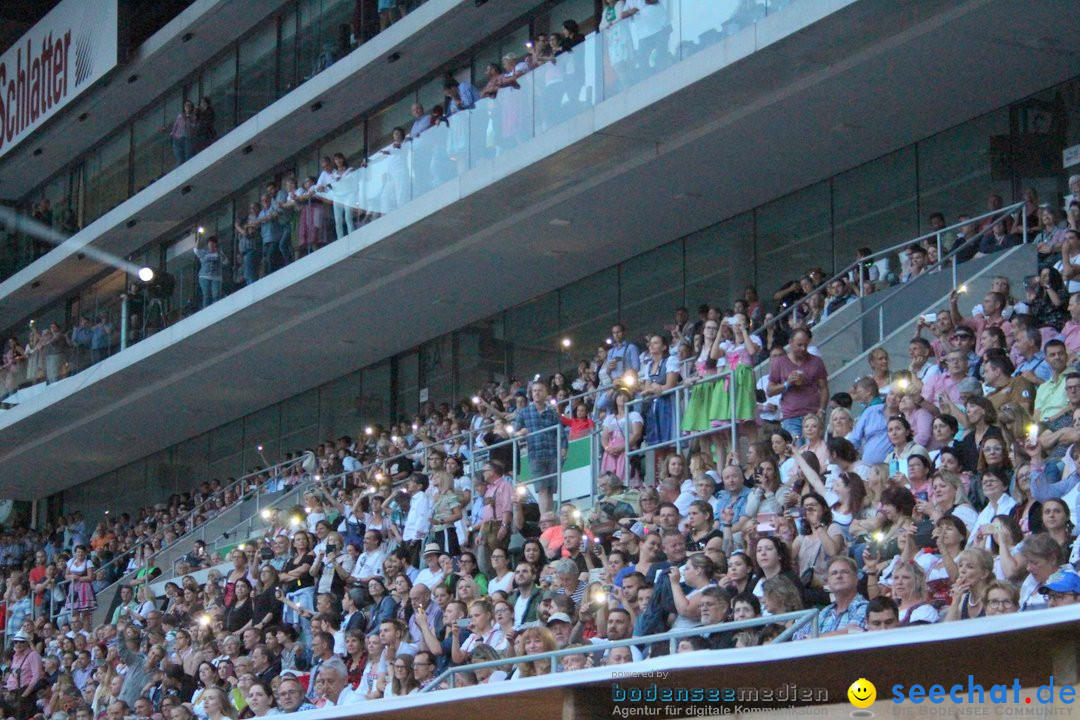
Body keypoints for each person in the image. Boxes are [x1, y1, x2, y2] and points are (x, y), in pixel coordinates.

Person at [767, 328, 828, 440]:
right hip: (791, 416)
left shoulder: (817, 361)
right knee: (796, 452)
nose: (803, 349)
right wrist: (787, 383)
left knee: (814, 453)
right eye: (799, 345)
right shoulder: (779, 362)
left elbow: (824, 388)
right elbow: (770, 391)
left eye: (806, 345)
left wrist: (822, 410)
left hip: (813, 415)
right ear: (790, 343)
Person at [514, 382, 566, 514]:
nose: (536, 393)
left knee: (550, 489)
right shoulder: (524, 413)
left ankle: (548, 515)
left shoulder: (552, 413)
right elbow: (514, 433)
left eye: (539, 390)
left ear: (545, 393)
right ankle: (545, 517)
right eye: (534, 391)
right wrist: (520, 433)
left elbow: (561, 432)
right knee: (542, 488)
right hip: (535, 455)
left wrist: (564, 448)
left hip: (552, 453)